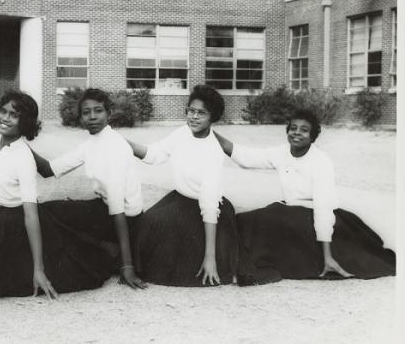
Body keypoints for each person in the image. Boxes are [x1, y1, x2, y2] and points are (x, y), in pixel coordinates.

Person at [0, 90, 110, 299]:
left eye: (14, 115)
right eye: (3, 111)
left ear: (26, 123)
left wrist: (38, 270)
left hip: (13, 220)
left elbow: (31, 214)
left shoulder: (23, 157)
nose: (5, 118)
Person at [213, 108, 396, 280]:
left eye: (304, 130)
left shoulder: (321, 162)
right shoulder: (281, 152)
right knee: (248, 220)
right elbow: (246, 157)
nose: (297, 133)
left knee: (267, 219)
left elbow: (323, 209)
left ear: (313, 137)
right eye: (293, 128)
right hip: (291, 213)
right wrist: (210, 134)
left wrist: (327, 256)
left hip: (319, 218)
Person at [124, 84, 253, 287]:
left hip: (205, 209)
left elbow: (209, 204)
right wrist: (125, 144)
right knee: (148, 222)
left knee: (180, 254)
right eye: (191, 111)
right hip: (179, 198)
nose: (194, 117)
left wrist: (210, 257)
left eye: (201, 113)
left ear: (213, 117)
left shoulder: (212, 150)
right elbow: (155, 154)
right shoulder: (182, 132)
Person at [31, 88, 146, 289]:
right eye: (86, 112)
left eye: (98, 110)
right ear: (81, 117)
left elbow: (118, 207)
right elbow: (49, 169)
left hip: (125, 219)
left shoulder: (115, 146)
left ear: (109, 113)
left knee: (50, 213)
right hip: (108, 209)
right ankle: (105, 247)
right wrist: (20, 143)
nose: (92, 117)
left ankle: (112, 252)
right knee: (54, 211)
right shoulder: (93, 142)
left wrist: (127, 266)